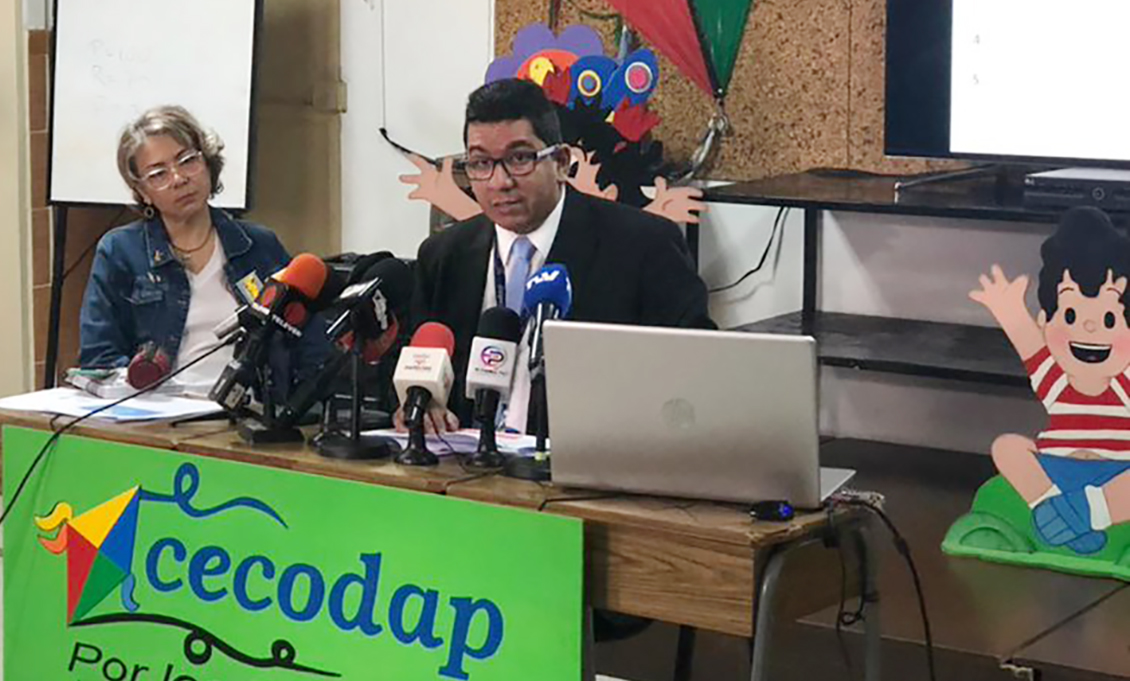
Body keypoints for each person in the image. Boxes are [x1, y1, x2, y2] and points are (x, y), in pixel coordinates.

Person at [409, 78, 713, 433]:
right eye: (480, 163)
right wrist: (419, 406)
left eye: (519, 158)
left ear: (561, 162)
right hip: (463, 457)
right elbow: (412, 371)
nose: (499, 181)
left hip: (589, 454)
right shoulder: (444, 256)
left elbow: (694, 375)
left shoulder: (644, 246)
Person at [79, 105, 328, 395]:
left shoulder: (258, 245)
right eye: (158, 174)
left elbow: (309, 343)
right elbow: (99, 358)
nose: (179, 179)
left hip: (250, 409)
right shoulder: (120, 252)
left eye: (187, 161)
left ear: (207, 163)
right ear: (143, 192)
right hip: (159, 411)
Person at [971, 206, 1130, 555]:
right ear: (1045, 322)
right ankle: (1052, 509)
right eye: (1070, 315)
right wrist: (1009, 309)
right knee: (1007, 447)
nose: (1090, 328)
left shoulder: (1125, 386)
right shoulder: (1056, 382)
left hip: (1118, 476)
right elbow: (1029, 344)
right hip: (1056, 471)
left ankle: (1087, 513)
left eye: (1109, 319)